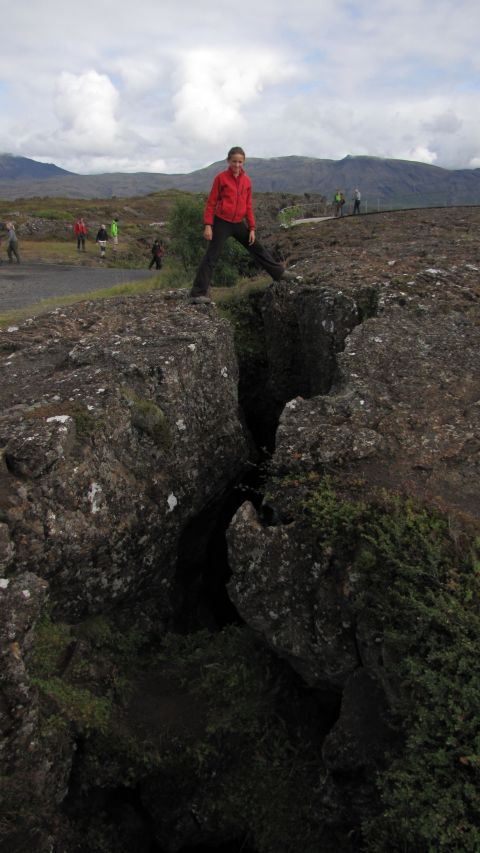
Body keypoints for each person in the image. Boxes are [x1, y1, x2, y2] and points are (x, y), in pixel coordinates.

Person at [190, 146, 295, 299]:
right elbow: (211, 203)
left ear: (244, 162)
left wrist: (252, 228)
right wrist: (208, 225)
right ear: (228, 161)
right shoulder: (221, 178)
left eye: (240, 162)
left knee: (257, 248)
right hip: (222, 222)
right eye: (234, 161)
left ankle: (279, 274)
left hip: (239, 223)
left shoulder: (246, 181)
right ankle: (197, 293)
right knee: (212, 256)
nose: (237, 165)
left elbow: (248, 205)